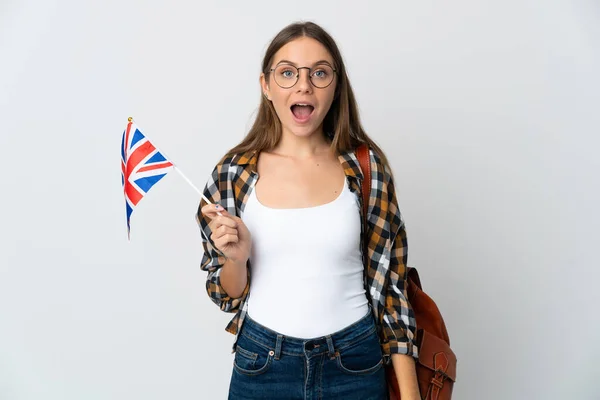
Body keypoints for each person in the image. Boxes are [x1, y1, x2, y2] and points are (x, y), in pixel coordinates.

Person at [197, 21, 419, 400]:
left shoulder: (366, 168)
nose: (303, 86)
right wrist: (236, 259)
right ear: (266, 86)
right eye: (287, 73)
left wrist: (411, 395)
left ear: (335, 86)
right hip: (263, 365)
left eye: (319, 73)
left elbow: (392, 289)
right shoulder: (232, 175)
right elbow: (226, 294)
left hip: (355, 363)